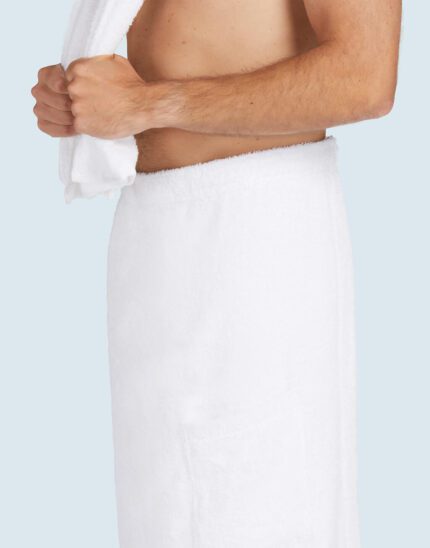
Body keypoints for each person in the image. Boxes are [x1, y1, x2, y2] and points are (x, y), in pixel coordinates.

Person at [32, 1, 402, 547]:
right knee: (169, 516)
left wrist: (145, 104)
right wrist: (76, 97)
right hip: (155, 241)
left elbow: (365, 75)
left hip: (256, 242)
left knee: (262, 505)